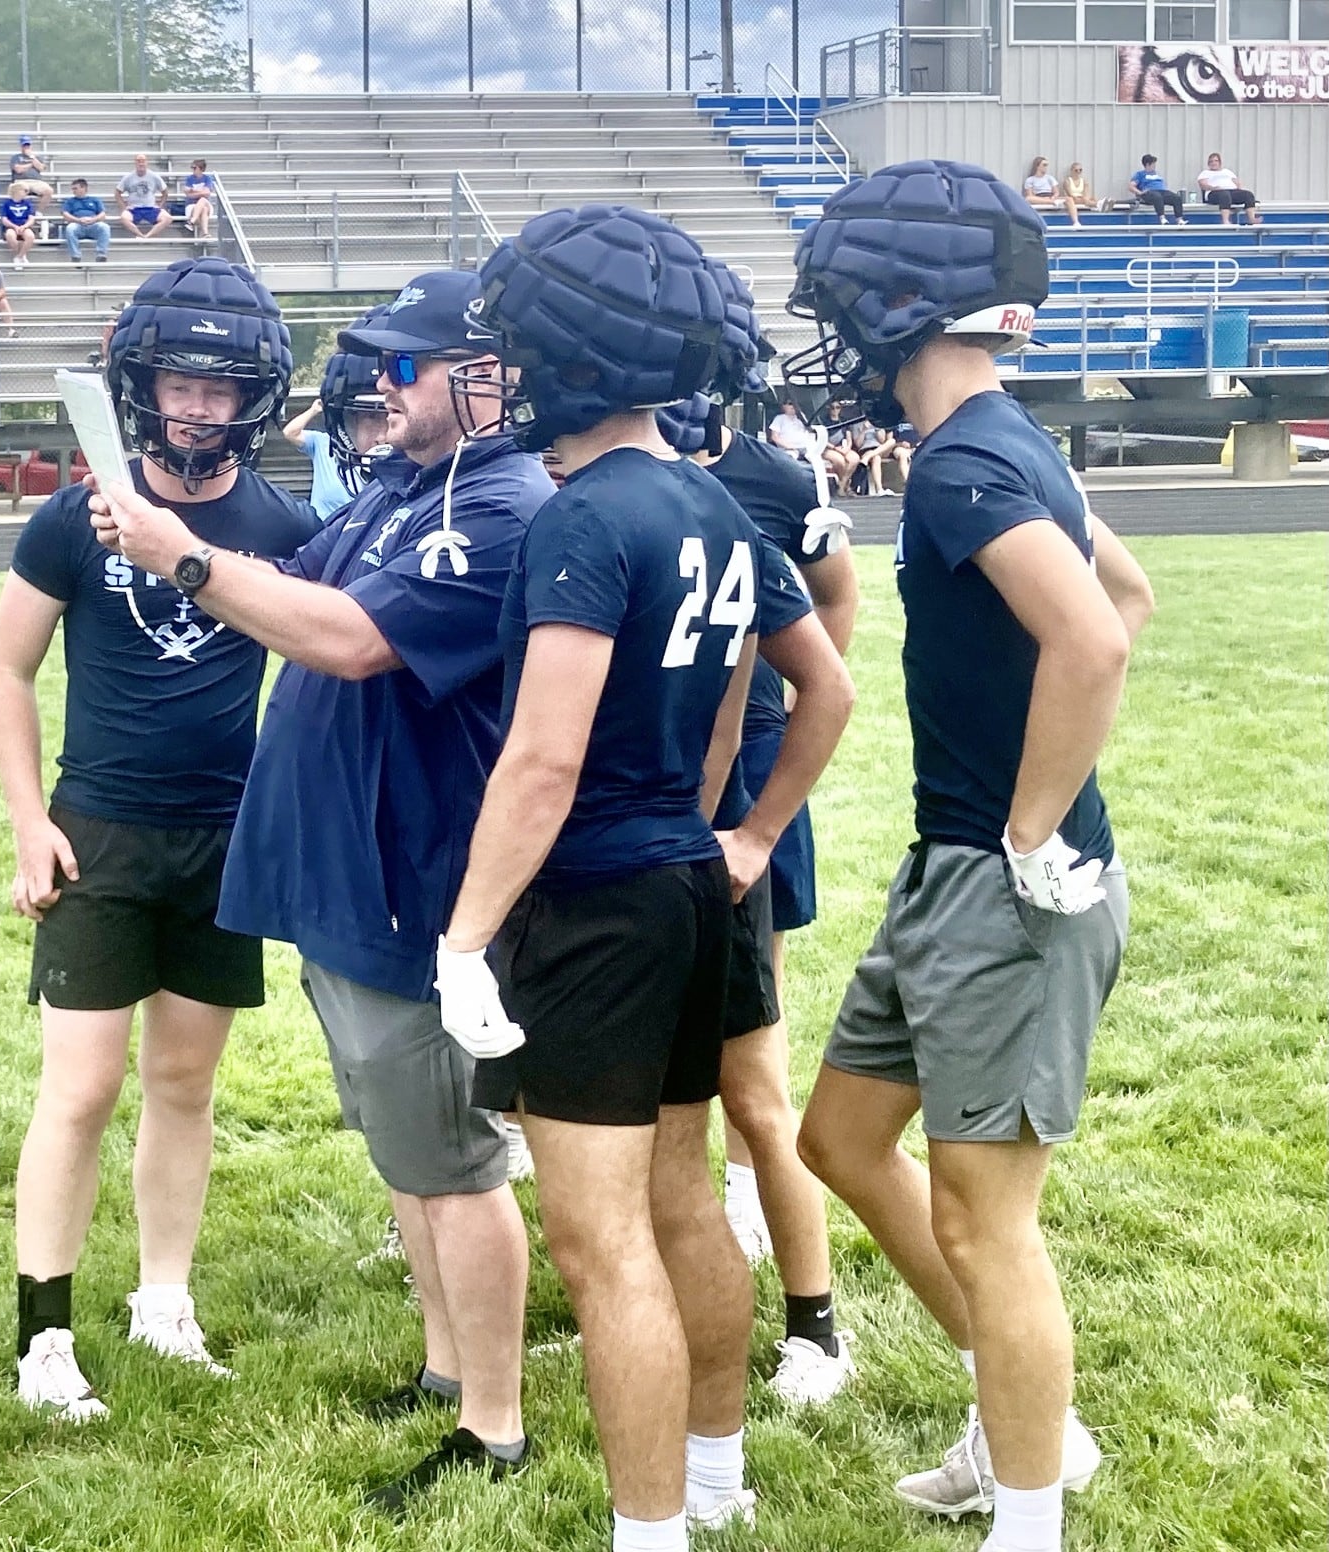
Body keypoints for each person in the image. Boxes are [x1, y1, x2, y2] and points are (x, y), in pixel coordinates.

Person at [95, 269, 551, 1512]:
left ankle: (494, 1426)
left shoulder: (502, 504)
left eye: (405, 366)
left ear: (481, 376)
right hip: (349, 883)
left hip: (416, 881)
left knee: (452, 1162)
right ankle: (447, 1367)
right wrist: (174, 513)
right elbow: (290, 585)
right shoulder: (405, 488)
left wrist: (179, 555)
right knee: (406, 1151)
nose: (380, 387)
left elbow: (350, 639)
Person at [436, 208, 853, 1552]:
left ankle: (653, 1529)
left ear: (571, 359)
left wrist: (462, 941)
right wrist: (736, 831)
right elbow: (812, 688)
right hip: (690, 887)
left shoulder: (580, 521)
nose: (498, 375)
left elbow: (543, 762)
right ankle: (716, 1484)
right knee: (685, 1205)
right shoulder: (719, 504)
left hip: (597, 908)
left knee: (603, 1243)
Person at [784, 159, 1154, 1552]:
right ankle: (1024, 1423)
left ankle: (1033, 1512)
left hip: (1005, 884)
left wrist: (1035, 829)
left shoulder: (963, 459)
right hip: (958, 875)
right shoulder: (1008, 442)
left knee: (989, 1219)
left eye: (849, 306)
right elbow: (1123, 590)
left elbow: (1099, 635)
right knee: (841, 1137)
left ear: (903, 305)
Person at [0, 256, 315, 1422]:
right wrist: (31, 823)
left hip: (221, 842)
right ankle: (44, 1333)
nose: (201, 409)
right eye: (183, 382)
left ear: (256, 399)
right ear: (144, 382)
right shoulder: (78, 513)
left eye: (224, 390)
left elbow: (335, 648)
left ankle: (164, 1303)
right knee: (79, 1087)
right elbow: (8, 669)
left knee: (185, 1082)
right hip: (100, 838)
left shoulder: (280, 521)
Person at [663, 260, 864, 1411]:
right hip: (662, 793)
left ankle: (808, 1307)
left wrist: (744, 800)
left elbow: (818, 613)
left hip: (714, 787)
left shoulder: (756, 484)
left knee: (753, 1059)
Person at [278, 310, 393, 520]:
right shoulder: (323, 443)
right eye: (370, 418)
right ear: (344, 425)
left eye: (394, 414)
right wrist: (314, 410)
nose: (383, 437)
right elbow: (290, 432)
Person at [117, 154, 171, 239]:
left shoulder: (154, 176)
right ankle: (140, 234)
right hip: (133, 209)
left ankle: (148, 235)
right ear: (135, 163)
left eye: (143, 161)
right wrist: (124, 207)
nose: (141, 164)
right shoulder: (128, 177)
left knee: (167, 218)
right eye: (138, 161)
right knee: (124, 218)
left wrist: (161, 205)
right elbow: (117, 192)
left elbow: (165, 191)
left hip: (150, 208)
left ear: (147, 162)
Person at [1197, 152, 1260, 226]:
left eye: (1216, 161)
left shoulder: (1227, 172)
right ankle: (1225, 221)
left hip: (1231, 191)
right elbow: (1203, 185)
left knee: (1248, 194)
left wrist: (1240, 191)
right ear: (1208, 163)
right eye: (1211, 161)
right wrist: (1214, 188)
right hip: (1214, 192)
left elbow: (1237, 183)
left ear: (1220, 162)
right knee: (1224, 195)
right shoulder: (1205, 173)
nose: (1213, 163)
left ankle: (1251, 219)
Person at [61, 179, 110, 263]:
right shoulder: (70, 201)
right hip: (77, 225)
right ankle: (75, 256)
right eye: (73, 189)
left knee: (104, 227)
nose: (73, 191)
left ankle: (101, 255)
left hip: (93, 224)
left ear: (83, 188)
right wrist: (78, 220)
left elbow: (103, 214)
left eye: (75, 188)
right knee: (70, 228)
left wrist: (93, 219)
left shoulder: (95, 200)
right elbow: (65, 214)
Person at [1127, 154, 1185, 225]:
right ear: (1148, 164)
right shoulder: (1140, 174)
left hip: (1162, 192)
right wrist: (1139, 193)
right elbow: (1131, 186)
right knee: (1157, 197)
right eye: (1153, 164)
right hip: (1149, 193)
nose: (1155, 166)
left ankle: (1179, 219)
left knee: (1176, 198)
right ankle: (1162, 218)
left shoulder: (1156, 174)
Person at [0, 186, 39, 267]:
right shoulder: (7, 203)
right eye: (24, 190)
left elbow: (31, 218)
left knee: (30, 236)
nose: (26, 193)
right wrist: (14, 226)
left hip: (24, 225)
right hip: (11, 226)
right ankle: (20, 255)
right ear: (16, 191)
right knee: (10, 235)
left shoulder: (27, 203)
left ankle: (20, 256)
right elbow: (4, 219)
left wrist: (24, 226)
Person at [181, 159, 217, 240]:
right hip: (192, 206)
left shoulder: (207, 178)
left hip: (205, 204)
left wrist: (193, 190)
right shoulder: (189, 179)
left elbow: (207, 193)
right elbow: (189, 195)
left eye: (195, 168)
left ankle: (191, 221)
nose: (193, 170)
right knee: (203, 207)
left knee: (203, 200)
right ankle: (205, 233)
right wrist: (201, 192)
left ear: (201, 169)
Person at [10, 136, 52, 200]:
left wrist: (31, 157)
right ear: (21, 146)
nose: (26, 147)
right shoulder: (16, 157)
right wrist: (32, 164)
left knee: (49, 191)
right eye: (24, 145)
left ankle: (39, 210)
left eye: (28, 145)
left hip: (36, 182)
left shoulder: (37, 157)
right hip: (21, 181)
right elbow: (18, 170)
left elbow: (41, 168)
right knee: (20, 190)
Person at [1060, 162, 1093, 226]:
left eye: (1080, 170)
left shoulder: (1084, 181)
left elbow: (1086, 193)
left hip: (1082, 199)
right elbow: (1070, 194)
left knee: (1091, 198)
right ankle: (1097, 205)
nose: (1078, 172)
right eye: (1076, 170)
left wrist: (1085, 198)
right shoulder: (1067, 181)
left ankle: (1097, 204)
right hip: (1072, 199)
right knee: (1085, 200)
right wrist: (1082, 199)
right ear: (1072, 171)